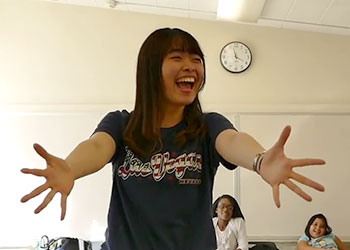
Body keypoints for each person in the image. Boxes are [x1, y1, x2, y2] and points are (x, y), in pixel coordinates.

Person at [21, 27, 326, 250]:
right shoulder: (122, 125)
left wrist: (259, 161)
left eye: (196, 58)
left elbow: (232, 141)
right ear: (150, 71)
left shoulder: (207, 127)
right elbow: (98, 146)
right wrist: (71, 168)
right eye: (177, 57)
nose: (191, 66)